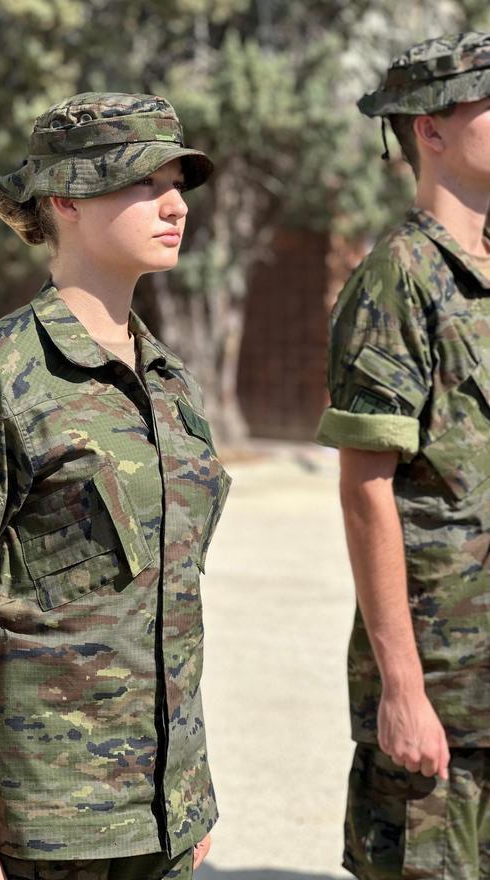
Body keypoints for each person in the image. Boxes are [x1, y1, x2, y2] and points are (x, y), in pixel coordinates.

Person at [0, 92, 232, 880]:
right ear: (65, 200)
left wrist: (186, 796)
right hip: (38, 831)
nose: (174, 204)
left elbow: (166, 604)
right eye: (143, 182)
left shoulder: (170, 383)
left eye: (178, 182)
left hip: (162, 825)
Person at [316, 32, 490, 879]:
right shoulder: (400, 279)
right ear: (431, 129)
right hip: (449, 702)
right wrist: (403, 689)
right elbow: (366, 492)